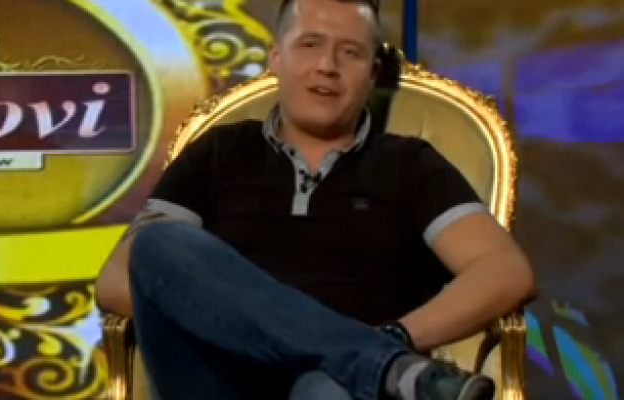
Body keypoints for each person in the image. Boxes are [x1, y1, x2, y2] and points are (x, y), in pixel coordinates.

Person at [94, 0, 536, 399]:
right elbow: (117, 280)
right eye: (310, 45)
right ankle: (380, 365)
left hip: (343, 390)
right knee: (158, 243)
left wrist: (394, 338)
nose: (327, 66)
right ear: (276, 57)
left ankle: (368, 362)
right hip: (222, 378)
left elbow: (505, 272)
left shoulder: (409, 164)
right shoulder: (218, 152)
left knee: (326, 387)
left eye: (350, 52)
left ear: (373, 73)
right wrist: (262, 331)